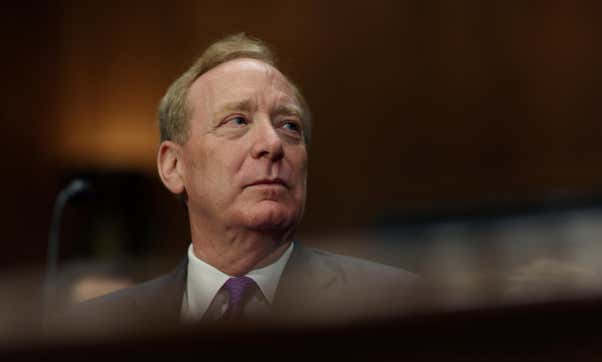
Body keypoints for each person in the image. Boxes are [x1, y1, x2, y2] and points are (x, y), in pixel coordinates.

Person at [61, 33, 419, 335]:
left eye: (289, 126)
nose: (273, 144)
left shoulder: (393, 304)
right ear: (173, 166)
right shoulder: (102, 330)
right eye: (237, 121)